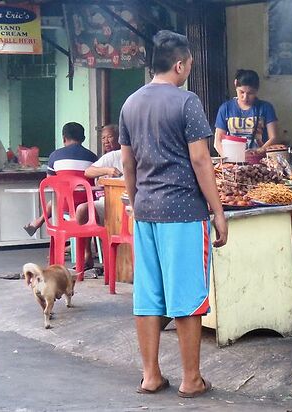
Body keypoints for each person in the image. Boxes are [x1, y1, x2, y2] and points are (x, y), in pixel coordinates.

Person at [120, 29, 227, 397]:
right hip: (183, 212)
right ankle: (191, 379)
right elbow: (200, 158)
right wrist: (218, 211)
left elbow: (127, 164)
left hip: (146, 211)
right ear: (179, 65)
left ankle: (150, 376)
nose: (189, 72)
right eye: (189, 66)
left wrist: (136, 203)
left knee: (148, 295)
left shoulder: (130, 103)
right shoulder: (187, 102)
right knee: (186, 296)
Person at [23, 122, 98, 236]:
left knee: (55, 201)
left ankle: (38, 222)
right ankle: (86, 250)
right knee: (82, 210)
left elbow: (50, 183)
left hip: (65, 205)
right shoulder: (92, 157)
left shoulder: (55, 156)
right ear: (83, 138)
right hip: (87, 205)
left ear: (64, 138)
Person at [75, 124, 122, 270]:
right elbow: (88, 171)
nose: (106, 141)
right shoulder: (112, 157)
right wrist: (107, 170)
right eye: (103, 138)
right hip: (107, 204)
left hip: (129, 205)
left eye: (109, 137)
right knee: (82, 210)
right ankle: (87, 254)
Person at [214, 69, 279, 156]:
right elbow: (218, 141)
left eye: (250, 93)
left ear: (256, 90)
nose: (245, 97)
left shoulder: (266, 108)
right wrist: (227, 158)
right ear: (235, 84)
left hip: (258, 159)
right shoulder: (225, 108)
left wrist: (259, 151)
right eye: (241, 92)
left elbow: (274, 138)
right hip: (233, 160)